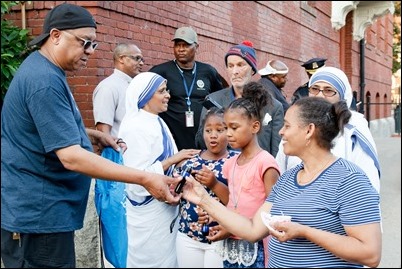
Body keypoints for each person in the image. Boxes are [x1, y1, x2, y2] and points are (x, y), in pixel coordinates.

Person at [0, 4, 180, 268]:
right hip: (37, 218)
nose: (89, 52)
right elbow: (72, 158)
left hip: (42, 215)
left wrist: (88, 134)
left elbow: (38, 127)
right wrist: (144, 177)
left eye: (93, 45)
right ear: (56, 35)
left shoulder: (46, 71)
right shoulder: (44, 81)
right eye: (85, 43)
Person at [182, 97, 382, 268]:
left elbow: (370, 254)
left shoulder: (349, 179)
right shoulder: (288, 178)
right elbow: (253, 229)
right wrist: (204, 199)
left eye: (287, 126)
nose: (280, 132)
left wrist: (304, 231)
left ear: (309, 130)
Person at [118, 71, 200, 267]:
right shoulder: (134, 127)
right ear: (145, 97)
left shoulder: (156, 120)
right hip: (146, 216)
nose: (168, 95)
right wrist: (174, 158)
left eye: (167, 90)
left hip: (164, 210)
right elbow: (136, 179)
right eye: (162, 91)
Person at [206, 82, 281, 268]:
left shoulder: (266, 162)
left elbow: (273, 208)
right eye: (226, 128)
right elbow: (232, 199)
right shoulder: (231, 162)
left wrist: (238, 227)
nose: (228, 134)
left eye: (234, 127)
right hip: (232, 241)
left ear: (255, 126)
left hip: (257, 245)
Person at [275, 66, 381, 193]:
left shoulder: (353, 130)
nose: (319, 95)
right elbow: (279, 175)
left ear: (342, 97)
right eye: (314, 89)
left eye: (328, 90)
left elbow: (368, 183)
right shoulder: (294, 125)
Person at [195, 41, 284, 157]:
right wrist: (212, 125)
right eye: (230, 66)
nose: (235, 71)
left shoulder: (273, 106)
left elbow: (277, 154)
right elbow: (199, 144)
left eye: (240, 65)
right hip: (220, 171)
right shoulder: (213, 100)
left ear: (252, 69)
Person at [176, 107, 238, 268]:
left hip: (220, 236)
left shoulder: (236, 162)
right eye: (208, 130)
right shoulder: (190, 161)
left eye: (220, 130)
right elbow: (174, 196)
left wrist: (214, 184)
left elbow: (239, 202)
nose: (213, 135)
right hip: (188, 235)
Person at [149, 26, 224, 150]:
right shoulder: (160, 72)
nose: (181, 49)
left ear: (196, 47)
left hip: (203, 139)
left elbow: (219, 99)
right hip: (173, 139)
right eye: (177, 45)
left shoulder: (208, 71)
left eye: (186, 45)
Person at [93, 43, 144, 137]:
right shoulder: (108, 87)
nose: (141, 63)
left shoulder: (135, 85)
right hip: (121, 149)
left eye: (142, 59)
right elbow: (103, 131)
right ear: (121, 59)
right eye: (137, 58)